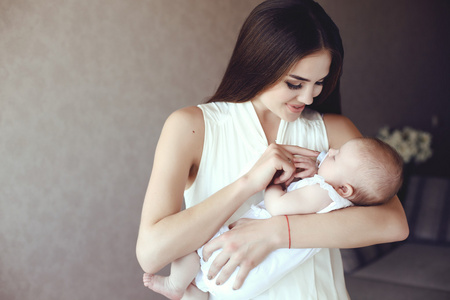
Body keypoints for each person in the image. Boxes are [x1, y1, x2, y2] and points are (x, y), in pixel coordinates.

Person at [136, 0, 409, 299]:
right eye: (295, 83)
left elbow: (394, 224)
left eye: (320, 82)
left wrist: (276, 234)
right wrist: (247, 184)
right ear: (259, 64)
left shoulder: (334, 131)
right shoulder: (191, 127)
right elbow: (151, 254)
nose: (308, 97)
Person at [142, 137, 403, 299]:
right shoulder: (337, 196)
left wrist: (271, 183)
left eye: (335, 156)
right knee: (202, 280)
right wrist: (319, 167)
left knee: (191, 245)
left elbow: (279, 207)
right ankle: (189, 290)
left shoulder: (323, 192)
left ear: (344, 189)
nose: (330, 150)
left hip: (244, 260)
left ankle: (176, 284)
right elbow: (325, 178)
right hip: (247, 279)